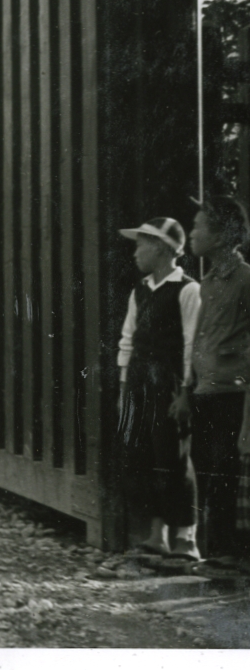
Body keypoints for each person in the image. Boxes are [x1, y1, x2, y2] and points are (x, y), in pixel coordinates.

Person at [112, 218, 200, 560]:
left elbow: (193, 343)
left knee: (174, 458)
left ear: (162, 249)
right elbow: (128, 339)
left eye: (141, 245)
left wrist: (186, 392)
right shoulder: (140, 290)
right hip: (138, 383)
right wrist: (124, 390)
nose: (135, 253)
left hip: (170, 385)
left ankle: (186, 537)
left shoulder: (187, 290)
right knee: (143, 457)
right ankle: (157, 534)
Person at [185, 196, 250, 566]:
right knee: (208, 468)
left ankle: (232, 551)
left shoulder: (245, 279)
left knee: (227, 468)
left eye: (198, 226)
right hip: (205, 389)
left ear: (223, 234)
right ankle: (217, 550)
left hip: (233, 391)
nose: (192, 233)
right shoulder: (206, 283)